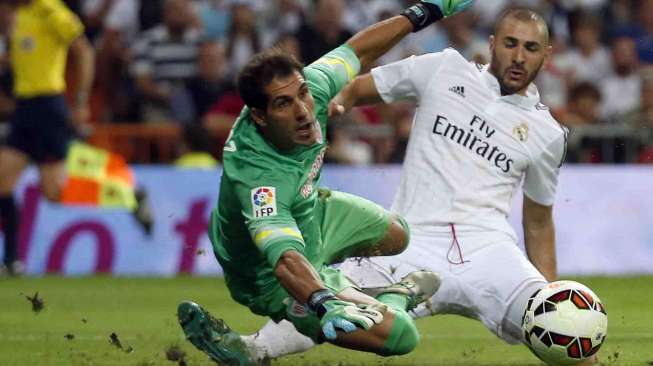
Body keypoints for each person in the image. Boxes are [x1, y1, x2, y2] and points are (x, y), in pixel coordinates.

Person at [199, 7, 579, 365]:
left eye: (530, 48)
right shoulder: (444, 69)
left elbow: (539, 222)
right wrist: (343, 101)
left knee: (566, 323)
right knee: (338, 304)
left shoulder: (548, 134)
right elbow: (361, 84)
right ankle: (254, 348)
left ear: (546, 55)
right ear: (492, 43)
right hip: (413, 240)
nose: (518, 56)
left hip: (490, 250)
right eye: (510, 43)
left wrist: (551, 297)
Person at [176, 1, 474, 364]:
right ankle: (382, 296)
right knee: (400, 336)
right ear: (260, 117)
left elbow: (359, 49)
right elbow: (284, 259)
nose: (304, 110)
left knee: (397, 234)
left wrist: (426, 11)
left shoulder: (312, 87)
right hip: (265, 271)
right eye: (285, 104)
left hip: (310, 212)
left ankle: (352, 291)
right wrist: (322, 301)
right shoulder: (259, 179)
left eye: (301, 93)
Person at [0, 0, 94, 276]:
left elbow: (84, 51)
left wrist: (80, 100)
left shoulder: (51, 10)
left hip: (48, 105)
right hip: (24, 108)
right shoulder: (20, 15)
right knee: (2, 179)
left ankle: (128, 193)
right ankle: (13, 261)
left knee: (53, 192)